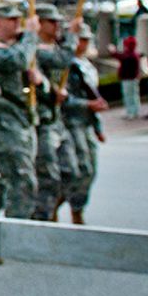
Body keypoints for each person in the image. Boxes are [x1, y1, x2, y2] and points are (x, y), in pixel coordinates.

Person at [0, 2, 40, 222]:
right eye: (11, 19)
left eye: (19, 18)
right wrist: (32, 35)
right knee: (22, 179)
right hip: (4, 122)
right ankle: (14, 231)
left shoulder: (19, 46)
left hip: (23, 120)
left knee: (9, 177)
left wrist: (39, 81)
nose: (18, 23)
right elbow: (18, 60)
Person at [32, 3, 79, 221]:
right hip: (41, 120)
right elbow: (63, 60)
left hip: (57, 119)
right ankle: (42, 216)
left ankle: (52, 210)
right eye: (52, 21)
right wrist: (72, 36)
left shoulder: (57, 47)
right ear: (39, 23)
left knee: (72, 173)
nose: (57, 25)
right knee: (47, 176)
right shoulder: (35, 49)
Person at [58, 24, 108, 225]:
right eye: (80, 39)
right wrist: (87, 104)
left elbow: (92, 95)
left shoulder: (87, 66)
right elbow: (63, 99)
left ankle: (75, 206)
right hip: (70, 124)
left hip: (86, 123)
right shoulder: (66, 65)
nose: (84, 44)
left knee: (90, 170)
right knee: (78, 170)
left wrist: (98, 128)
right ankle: (67, 206)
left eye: (87, 40)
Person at [109, 36, 142, 119]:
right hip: (133, 78)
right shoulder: (134, 54)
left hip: (128, 79)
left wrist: (113, 51)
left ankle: (131, 113)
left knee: (129, 96)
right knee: (134, 96)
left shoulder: (129, 55)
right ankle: (135, 112)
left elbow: (120, 57)